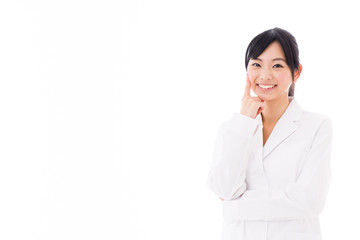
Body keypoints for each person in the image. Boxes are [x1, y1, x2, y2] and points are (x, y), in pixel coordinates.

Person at [206, 27, 332, 240]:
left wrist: (234, 209)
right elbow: (224, 188)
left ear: (296, 72)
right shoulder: (232, 128)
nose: (265, 75)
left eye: (277, 65)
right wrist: (244, 123)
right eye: (256, 64)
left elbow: (309, 201)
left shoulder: (317, 126)